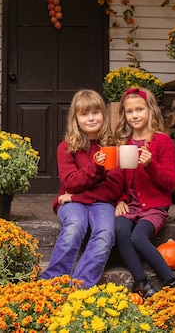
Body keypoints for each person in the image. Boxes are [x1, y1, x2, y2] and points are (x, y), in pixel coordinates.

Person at [39, 89, 124, 287]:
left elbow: (113, 188)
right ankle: (53, 282)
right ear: (75, 119)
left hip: (98, 202)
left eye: (95, 112)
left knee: (105, 232)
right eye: (84, 114)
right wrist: (96, 168)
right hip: (72, 204)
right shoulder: (67, 147)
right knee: (75, 225)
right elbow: (71, 183)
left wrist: (76, 197)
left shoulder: (112, 146)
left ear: (103, 114)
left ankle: (81, 285)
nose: (91, 118)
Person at [113, 86, 175, 299]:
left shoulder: (162, 142)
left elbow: (170, 183)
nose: (135, 115)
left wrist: (151, 164)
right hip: (131, 207)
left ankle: (171, 280)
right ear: (124, 115)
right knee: (119, 228)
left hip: (154, 208)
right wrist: (120, 199)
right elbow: (118, 180)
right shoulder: (123, 143)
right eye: (129, 111)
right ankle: (141, 282)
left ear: (150, 111)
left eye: (140, 110)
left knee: (137, 237)